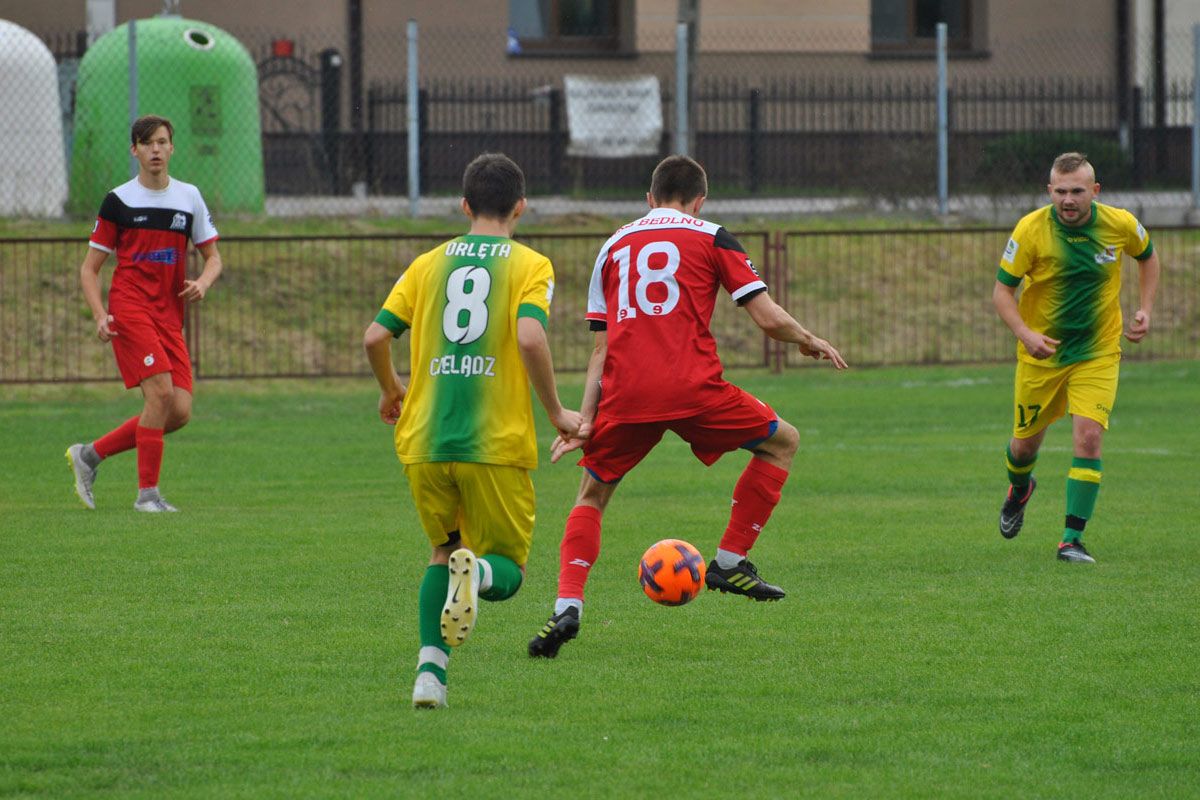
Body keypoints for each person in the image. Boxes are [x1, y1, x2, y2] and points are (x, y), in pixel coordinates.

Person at [528, 155, 847, 659]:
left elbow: (601, 349)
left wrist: (584, 420)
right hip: (694, 390)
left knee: (591, 495)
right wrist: (808, 339)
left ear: (649, 199)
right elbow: (767, 318)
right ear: (700, 200)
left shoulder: (613, 245)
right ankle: (730, 561)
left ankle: (568, 606)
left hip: (627, 395)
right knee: (782, 442)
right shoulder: (713, 235)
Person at [363, 153, 580, 709]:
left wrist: (391, 390)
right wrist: (558, 412)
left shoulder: (428, 263)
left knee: (443, 551)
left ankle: (429, 677)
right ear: (521, 207)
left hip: (425, 439)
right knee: (507, 570)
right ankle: (477, 573)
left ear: (463, 205)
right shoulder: (531, 264)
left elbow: (375, 337)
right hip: (493, 443)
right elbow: (529, 337)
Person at [994, 151, 1160, 563]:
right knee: (1023, 449)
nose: (1068, 200)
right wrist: (1026, 334)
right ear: (1049, 190)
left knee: (1088, 438)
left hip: (1097, 351)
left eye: (1077, 192)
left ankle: (1071, 539)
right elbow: (1002, 292)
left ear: (1095, 191)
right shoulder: (1031, 229)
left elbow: (1148, 256)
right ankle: (1020, 489)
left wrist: (1146, 308)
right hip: (1043, 355)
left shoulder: (1120, 223)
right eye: (1061, 192)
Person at [66, 114, 223, 513]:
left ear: (172, 148)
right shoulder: (118, 201)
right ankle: (147, 496)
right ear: (134, 150)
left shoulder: (189, 197)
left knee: (179, 411)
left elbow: (214, 257)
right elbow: (89, 269)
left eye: (162, 142)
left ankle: (89, 455)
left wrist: (203, 283)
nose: (155, 149)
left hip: (168, 315)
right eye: (147, 143)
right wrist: (100, 315)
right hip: (130, 307)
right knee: (160, 394)